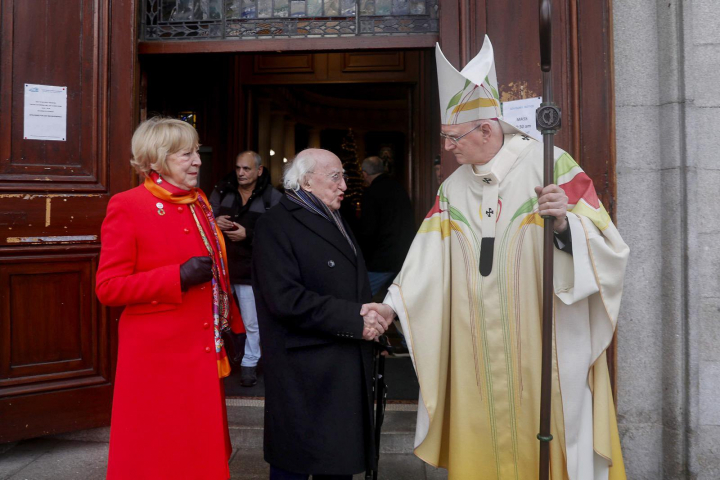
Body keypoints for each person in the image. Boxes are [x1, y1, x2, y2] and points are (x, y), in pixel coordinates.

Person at [366, 36, 630, 479]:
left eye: (453, 138)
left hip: (544, 345)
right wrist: (390, 305)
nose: (447, 148)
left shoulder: (552, 165)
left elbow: (609, 247)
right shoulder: (452, 190)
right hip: (475, 353)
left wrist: (564, 225)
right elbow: (426, 259)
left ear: (486, 130)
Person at [96, 117, 243, 480]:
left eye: (196, 152)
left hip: (201, 350)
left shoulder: (200, 202)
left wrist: (233, 326)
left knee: (198, 452)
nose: (197, 161)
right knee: (155, 453)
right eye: (185, 154)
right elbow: (109, 287)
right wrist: (175, 277)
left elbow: (219, 277)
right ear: (156, 160)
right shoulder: (127, 205)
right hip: (156, 357)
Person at [251, 148, 390, 480]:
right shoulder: (275, 224)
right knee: (295, 465)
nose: (344, 185)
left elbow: (349, 283)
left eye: (343, 176)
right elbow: (285, 299)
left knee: (338, 462)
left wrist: (374, 326)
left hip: (341, 363)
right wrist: (356, 320)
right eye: (335, 177)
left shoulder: (333, 216)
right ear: (306, 181)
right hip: (303, 371)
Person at [210, 150, 282, 387]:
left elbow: (280, 236)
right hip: (221, 269)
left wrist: (249, 235)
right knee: (219, 318)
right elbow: (202, 221)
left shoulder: (272, 197)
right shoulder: (223, 191)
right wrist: (215, 222)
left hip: (252, 271)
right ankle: (225, 360)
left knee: (252, 321)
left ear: (259, 171)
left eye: (247, 169)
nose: (240, 173)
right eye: (238, 168)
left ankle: (249, 363)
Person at [359, 156, 415, 296]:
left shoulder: (371, 193)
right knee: (399, 299)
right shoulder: (398, 188)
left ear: (365, 174)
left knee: (361, 297)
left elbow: (368, 230)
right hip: (404, 255)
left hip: (381, 260)